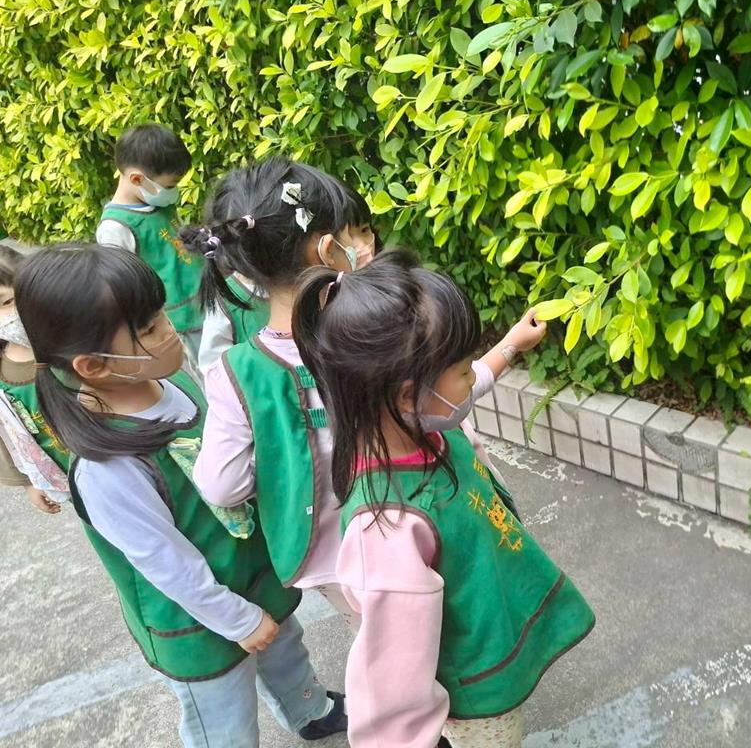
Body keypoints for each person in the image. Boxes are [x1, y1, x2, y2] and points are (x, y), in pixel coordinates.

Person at [15, 244, 346, 748]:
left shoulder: (168, 381)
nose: (170, 330)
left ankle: (310, 709)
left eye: (160, 315)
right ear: (94, 365)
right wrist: (236, 619)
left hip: (248, 574)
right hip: (198, 618)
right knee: (224, 718)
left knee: (286, 648)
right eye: (149, 329)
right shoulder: (107, 468)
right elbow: (166, 563)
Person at [184, 158, 547, 602]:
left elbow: (223, 486)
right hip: (429, 523)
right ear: (326, 249)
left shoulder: (235, 373)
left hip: (333, 564)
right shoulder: (382, 329)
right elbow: (449, 401)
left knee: (390, 637)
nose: (368, 241)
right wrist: (508, 348)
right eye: (354, 232)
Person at [293, 250, 595, 748]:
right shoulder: (387, 527)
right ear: (407, 394)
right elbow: (392, 681)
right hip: (476, 689)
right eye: (462, 369)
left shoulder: (423, 424)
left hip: (491, 621)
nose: (473, 377)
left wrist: (511, 345)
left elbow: (462, 389)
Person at [95, 124, 203, 355]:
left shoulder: (157, 202)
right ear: (137, 179)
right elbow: (123, 287)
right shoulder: (116, 228)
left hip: (204, 299)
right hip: (181, 318)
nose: (174, 192)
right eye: (169, 186)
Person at [0, 244, 69, 512]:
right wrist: (29, 481)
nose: (12, 313)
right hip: (70, 479)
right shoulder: (4, 374)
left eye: (8, 301)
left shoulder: (73, 342)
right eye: (4, 305)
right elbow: (6, 435)